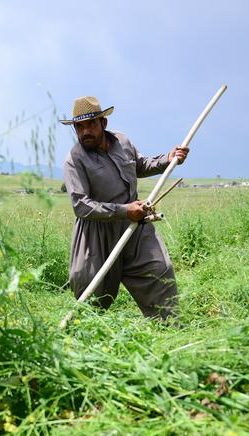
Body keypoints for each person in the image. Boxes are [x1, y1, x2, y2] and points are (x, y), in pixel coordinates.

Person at [60, 96, 188, 320]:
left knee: (159, 270)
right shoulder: (74, 160)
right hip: (95, 234)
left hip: (135, 227)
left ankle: (170, 330)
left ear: (103, 123)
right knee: (90, 294)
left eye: (90, 124)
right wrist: (124, 210)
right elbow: (81, 205)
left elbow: (139, 165)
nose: (85, 132)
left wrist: (167, 159)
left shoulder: (122, 142)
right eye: (79, 127)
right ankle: (83, 343)